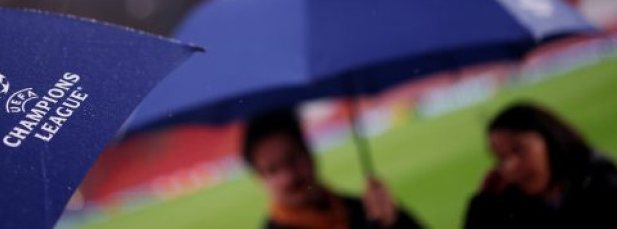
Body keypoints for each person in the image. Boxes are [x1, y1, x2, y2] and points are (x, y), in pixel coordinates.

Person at [242, 108, 423, 229]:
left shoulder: (365, 210)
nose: (289, 176)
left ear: (308, 152)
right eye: (272, 169)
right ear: (259, 178)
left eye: (292, 159)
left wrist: (394, 222)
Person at [464, 102, 617, 228]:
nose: (510, 166)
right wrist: (484, 203)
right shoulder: (513, 203)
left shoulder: (600, 184)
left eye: (519, 149)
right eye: (501, 159)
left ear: (550, 139)